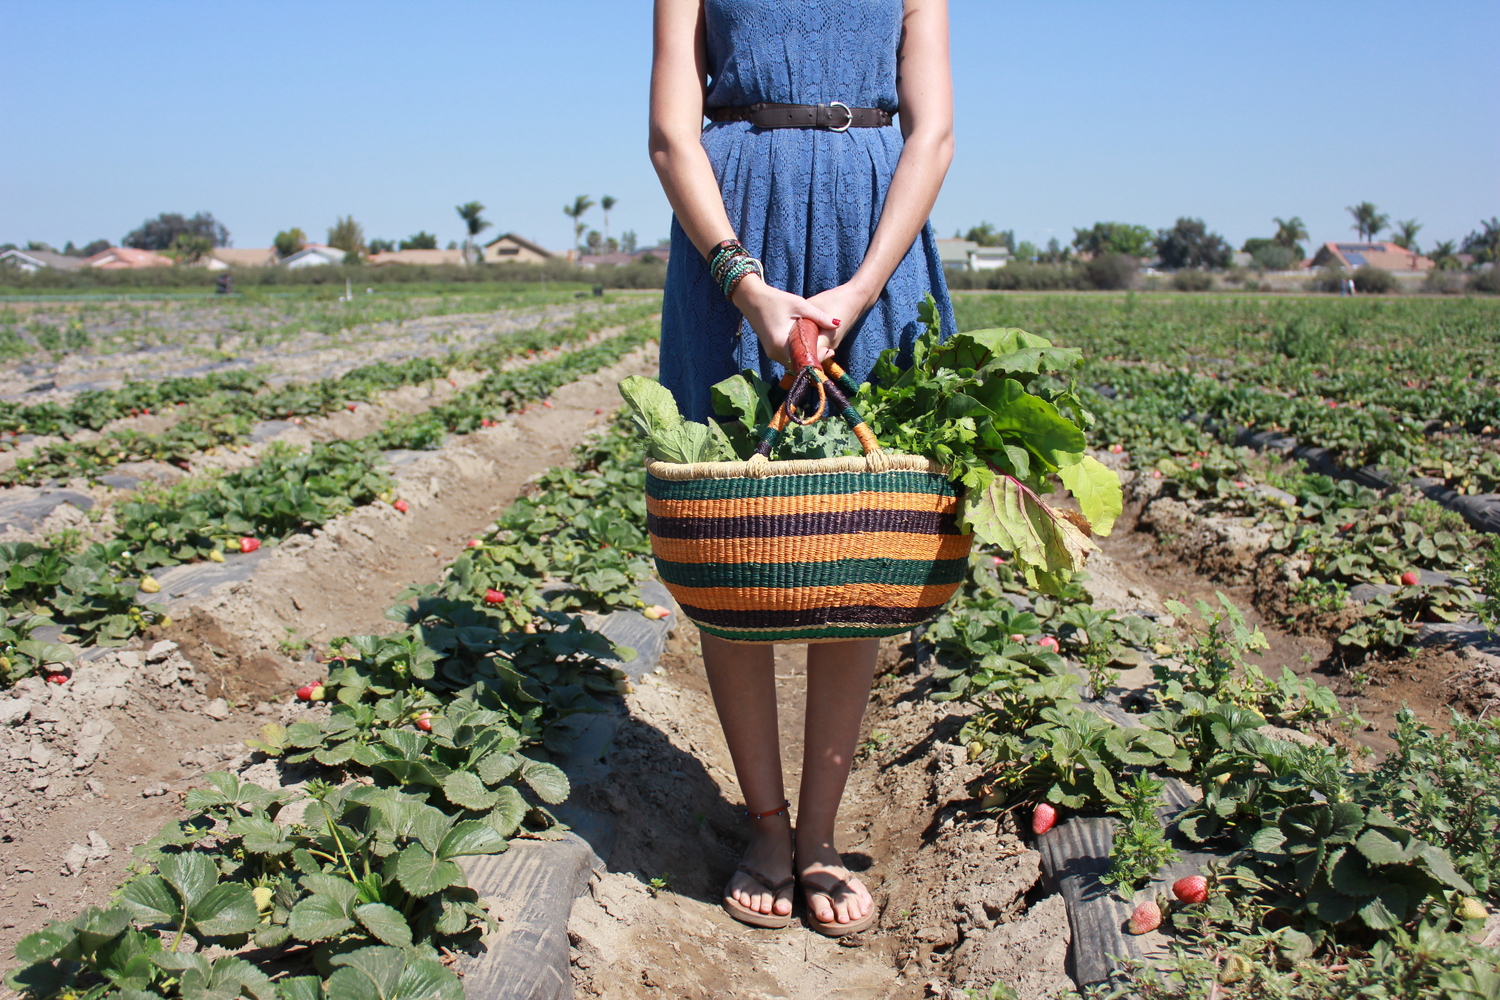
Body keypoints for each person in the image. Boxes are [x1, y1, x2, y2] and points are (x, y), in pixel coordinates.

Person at [647, 0, 956, 935]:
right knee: (731, 536)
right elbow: (672, 134)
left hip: (874, 236)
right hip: (733, 234)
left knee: (856, 539)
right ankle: (769, 828)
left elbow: (932, 131)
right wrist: (745, 286)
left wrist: (862, 290)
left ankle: (819, 834)